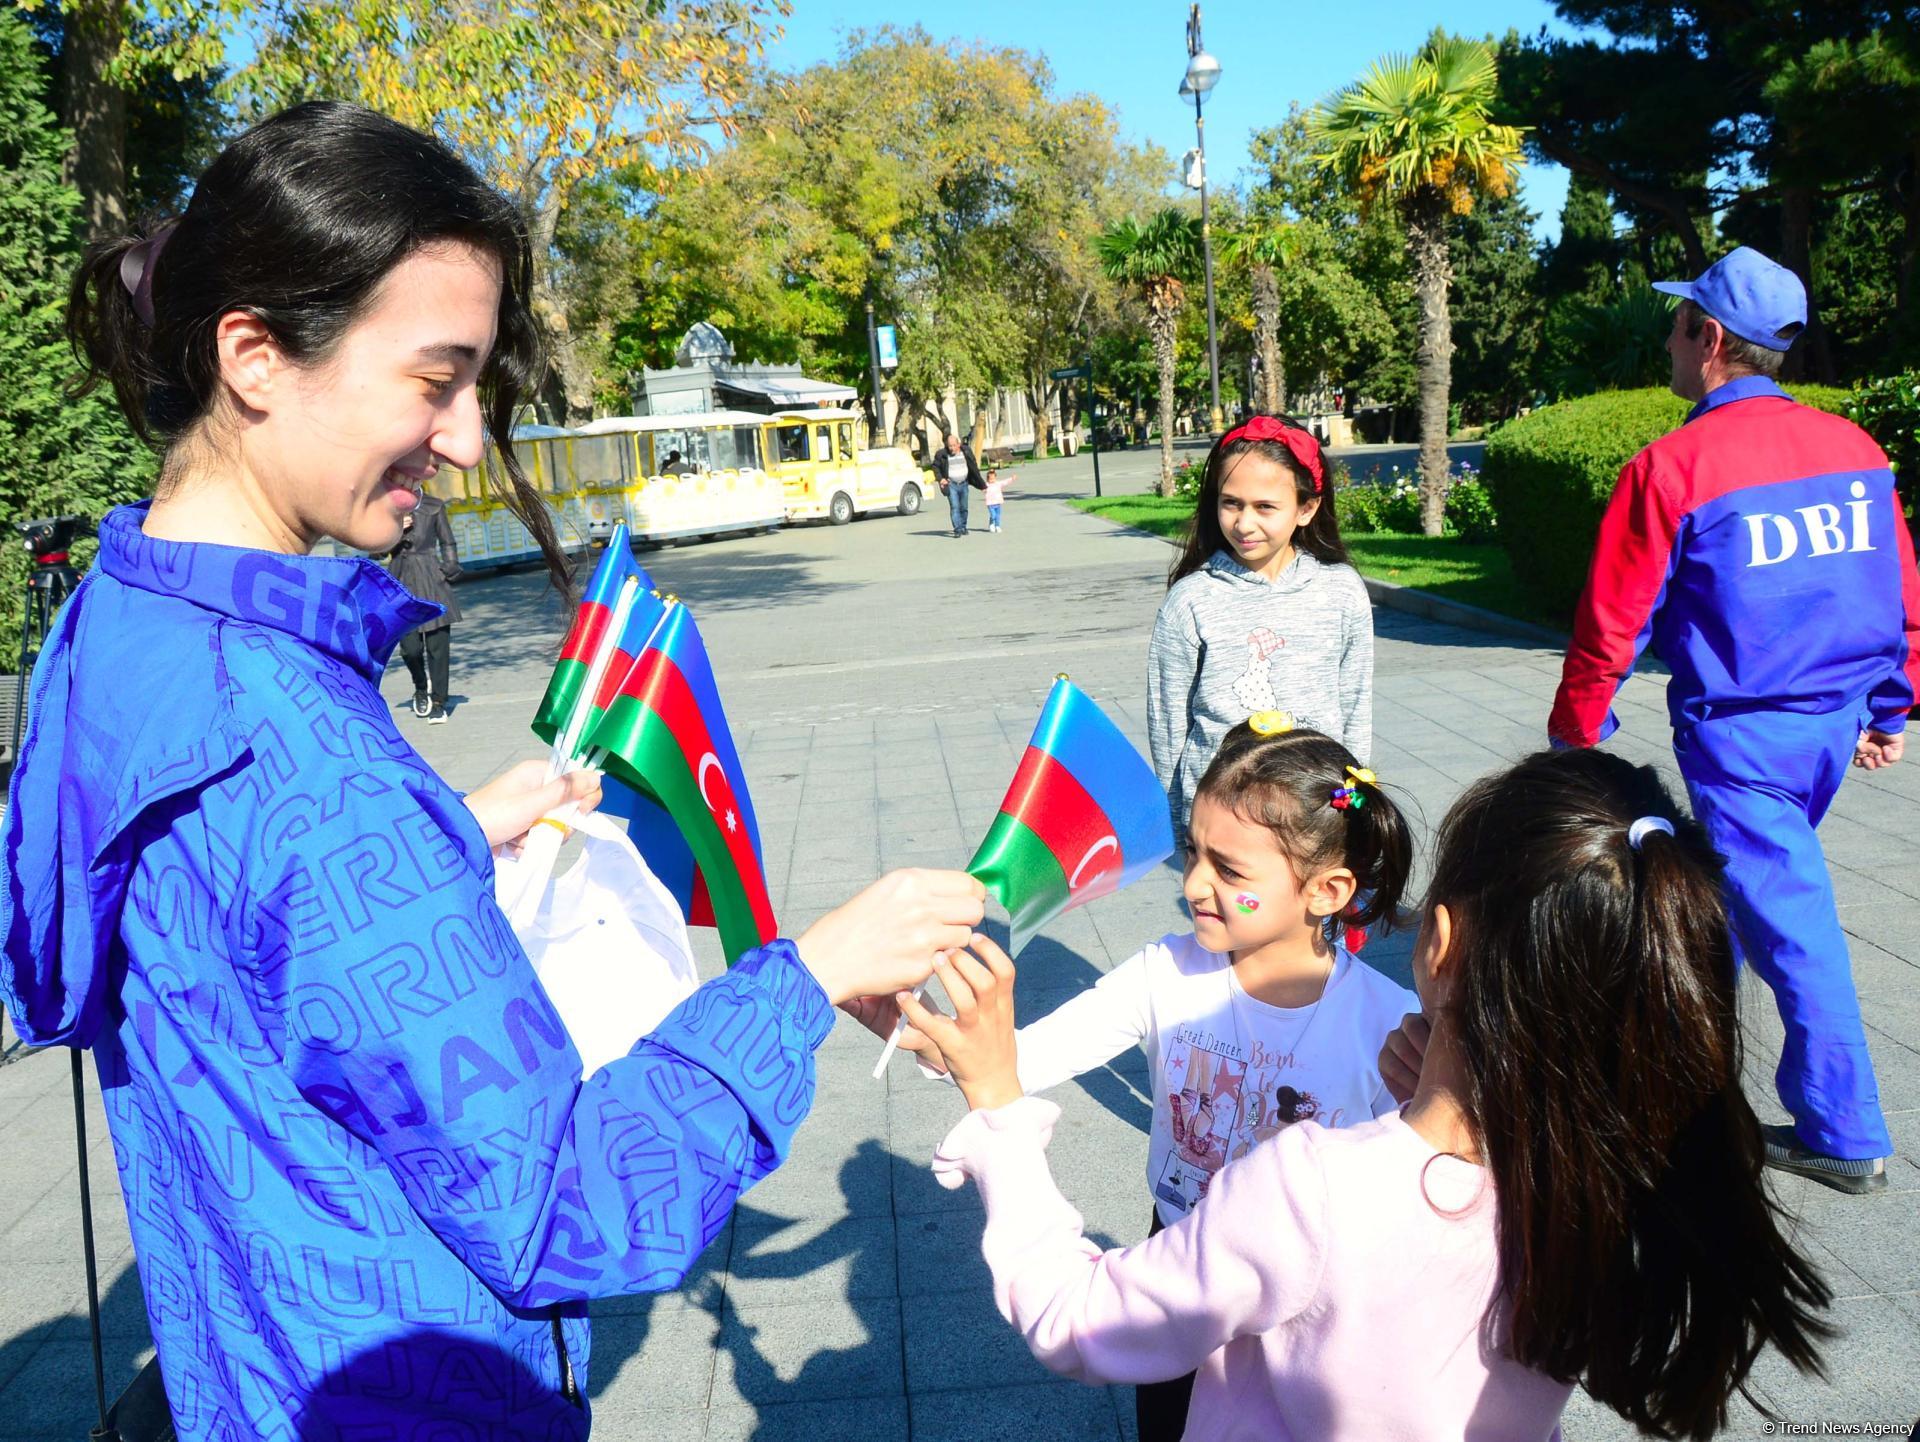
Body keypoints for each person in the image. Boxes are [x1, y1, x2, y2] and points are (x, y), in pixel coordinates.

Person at [2, 101, 987, 1439]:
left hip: (241, 1367)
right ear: (253, 355)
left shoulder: (112, 616)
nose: (464, 437)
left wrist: (447, 834)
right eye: (434, 378)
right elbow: (567, 1207)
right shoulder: (310, 764)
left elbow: (213, 932)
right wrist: (804, 977)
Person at [908, 747, 1834, 1442]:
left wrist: (998, 1109)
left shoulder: (1311, 1181)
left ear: (1437, 941)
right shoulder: (1596, 1182)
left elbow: (1076, 1322)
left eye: (1228, 868)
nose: (1196, 884)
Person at [899, 717, 1413, 1442]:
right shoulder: (1163, 975)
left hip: (1306, 1303)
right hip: (1176, 1262)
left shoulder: (1391, 1024)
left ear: (1325, 891)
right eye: (1194, 854)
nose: (1196, 884)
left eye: (1230, 870)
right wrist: (923, 1029)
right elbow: (1013, 1062)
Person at [1549, 245, 1920, 1194]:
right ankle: (1681, 1064)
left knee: (1791, 925)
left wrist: (1574, 736)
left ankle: (1844, 1133)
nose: (1668, 340)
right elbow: (1897, 590)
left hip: (1744, 741)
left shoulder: (1673, 466)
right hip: (1831, 729)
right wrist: (1891, 705)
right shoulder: (1856, 450)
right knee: (1742, 905)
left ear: (1710, 339)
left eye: (1679, 325)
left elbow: (1612, 619)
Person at [1149, 415, 1373, 840]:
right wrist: (1179, 824)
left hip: (1315, 814)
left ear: (1306, 508)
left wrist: (1355, 801)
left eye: (1265, 507)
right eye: (1230, 502)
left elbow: (1355, 704)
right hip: (1223, 818)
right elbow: (1168, 722)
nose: (1244, 523)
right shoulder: (1190, 600)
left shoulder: (1342, 590)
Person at [385, 483, 461, 722]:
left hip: (431, 578)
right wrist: (394, 530)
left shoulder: (434, 506)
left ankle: (439, 701)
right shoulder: (389, 508)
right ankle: (420, 686)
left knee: (438, 647)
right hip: (401, 581)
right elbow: (376, 551)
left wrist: (448, 569)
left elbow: (447, 541)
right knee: (410, 649)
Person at [936, 430, 983, 537]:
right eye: (949, 446)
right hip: (951, 484)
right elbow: (935, 467)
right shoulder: (942, 454)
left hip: (964, 483)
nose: (951, 448)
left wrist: (981, 484)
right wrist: (940, 479)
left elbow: (973, 465)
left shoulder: (966, 451)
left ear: (958, 444)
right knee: (955, 507)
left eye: (953, 445)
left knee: (964, 507)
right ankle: (957, 529)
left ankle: (963, 527)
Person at [982, 465, 1015, 532]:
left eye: (993, 478)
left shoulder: (998, 483)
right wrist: (983, 489)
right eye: (990, 479)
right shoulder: (986, 485)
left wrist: (1012, 478)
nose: (992, 480)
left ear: (995, 478)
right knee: (993, 515)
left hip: (998, 503)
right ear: (987, 479)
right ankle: (991, 524)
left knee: (998, 516)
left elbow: (1005, 482)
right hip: (990, 504)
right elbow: (981, 486)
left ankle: (997, 526)